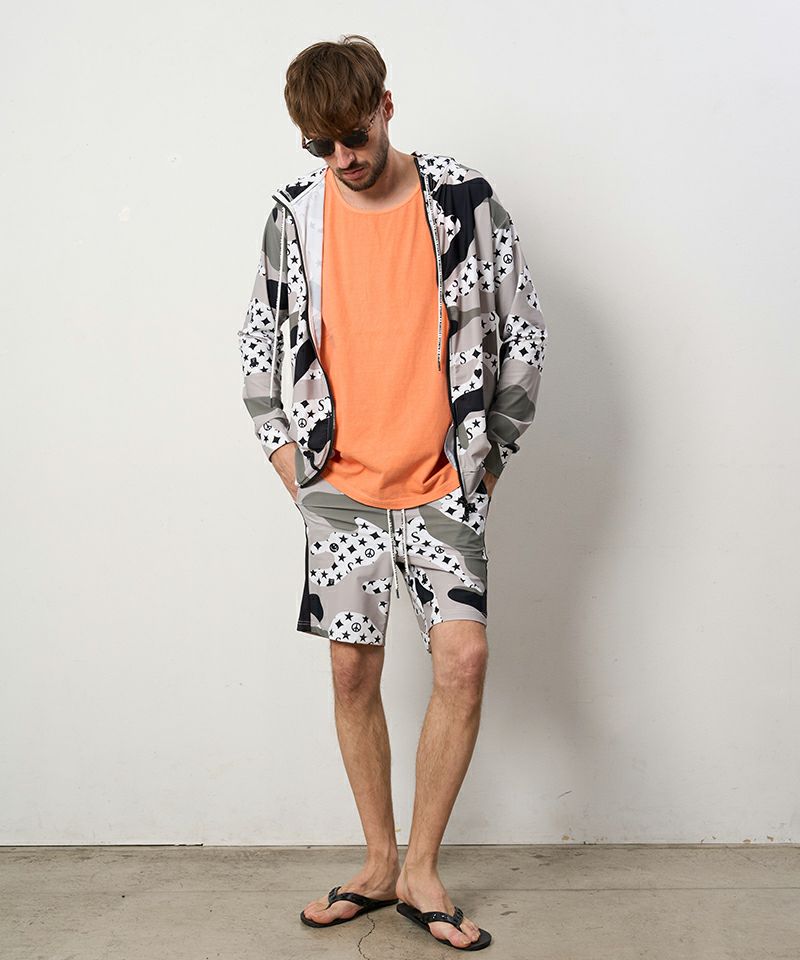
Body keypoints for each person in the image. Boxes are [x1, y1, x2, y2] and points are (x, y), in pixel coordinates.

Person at [237, 34, 547, 952]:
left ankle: (422, 869)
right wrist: (291, 466)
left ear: (386, 107)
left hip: (444, 482)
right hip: (340, 488)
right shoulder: (295, 216)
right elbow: (259, 341)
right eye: (321, 144)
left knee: (464, 660)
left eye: (355, 136)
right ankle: (378, 863)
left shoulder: (463, 200)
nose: (343, 158)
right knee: (351, 672)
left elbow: (523, 327)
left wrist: (491, 459)